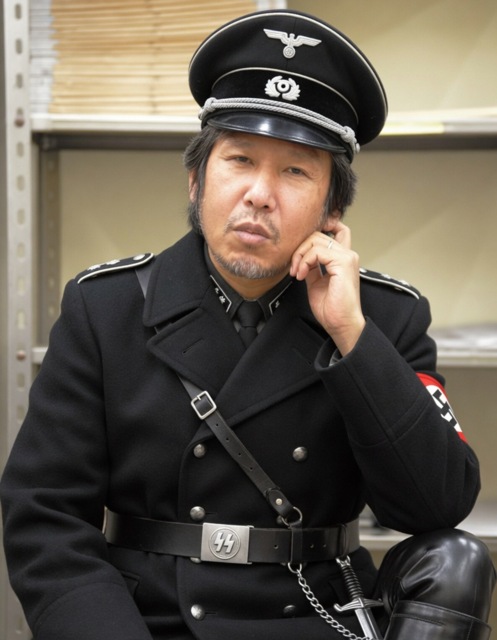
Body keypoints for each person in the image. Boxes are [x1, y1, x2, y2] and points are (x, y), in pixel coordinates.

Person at [1, 9, 495, 640]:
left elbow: (436, 507)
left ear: (332, 208)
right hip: (151, 620)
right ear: (196, 180)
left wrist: (351, 336)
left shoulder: (385, 316)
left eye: (295, 171)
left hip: (318, 618)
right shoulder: (105, 308)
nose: (260, 193)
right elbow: (45, 519)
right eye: (239, 159)